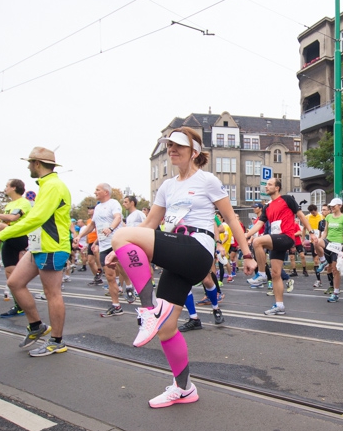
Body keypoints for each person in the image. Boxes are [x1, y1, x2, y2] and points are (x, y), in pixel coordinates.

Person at [107, 127, 255, 408]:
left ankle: (149, 310)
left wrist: (247, 254)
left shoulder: (207, 180)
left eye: (177, 146)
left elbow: (232, 219)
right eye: (168, 146)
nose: (171, 150)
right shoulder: (166, 185)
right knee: (167, 329)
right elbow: (149, 225)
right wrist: (124, 250)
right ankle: (184, 387)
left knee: (119, 234)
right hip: (177, 253)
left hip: (197, 249)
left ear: (194, 152)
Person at [0, 147, 71, 356]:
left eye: (29, 163)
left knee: (52, 293)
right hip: (39, 245)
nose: (28, 166)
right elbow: (32, 218)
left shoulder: (53, 185)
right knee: (14, 283)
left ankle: (56, 341)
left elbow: (37, 219)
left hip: (52, 247)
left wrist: (3, 234)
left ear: (37, 164)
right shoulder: (46, 186)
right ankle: (36, 326)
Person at [244, 178, 313, 315]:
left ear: (277, 188)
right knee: (276, 274)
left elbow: (300, 215)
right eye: (266, 185)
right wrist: (246, 235)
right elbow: (259, 224)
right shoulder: (267, 207)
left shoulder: (287, 199)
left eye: (269, 184)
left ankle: (262, 274)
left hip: (286, 237)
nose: (266, 187)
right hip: (276, 240)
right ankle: (279, 305)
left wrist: (311, 232)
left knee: (257, 242)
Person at [76, 184, 133, 315]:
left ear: (106, 192)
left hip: (116, 242)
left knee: (122, 266)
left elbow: (118, 218)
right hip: (104, 246)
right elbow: (92, 225)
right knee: (110, 276)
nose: (95, 192)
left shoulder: (113, 203)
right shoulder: (97, 208)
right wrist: (80, 236)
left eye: (97, 190)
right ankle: (116, 306)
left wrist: (111, 229)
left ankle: (129, 286)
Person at [0, 179, 32, 317]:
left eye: (7, 186)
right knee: (10, 274)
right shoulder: (9, 204)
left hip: (20, 235)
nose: (5, 188)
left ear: (14, 187)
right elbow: (6, 220)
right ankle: (19, 305)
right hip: (9, 238)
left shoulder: (23, 202)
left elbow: (13, 218)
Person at [321, 197, 343, 302]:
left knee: (335, 270)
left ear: (339, 206)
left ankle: (336, 293)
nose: (332, 207)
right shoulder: (328, 216)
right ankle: (322, 260)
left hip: (337, 245)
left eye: (334, 206)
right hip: (328, 242)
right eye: (331, 206)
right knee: (315, 241)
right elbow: (325, 231)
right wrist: (320, 241)